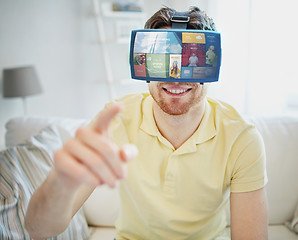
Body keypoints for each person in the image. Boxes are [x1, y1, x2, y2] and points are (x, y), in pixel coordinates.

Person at [25, 6, 268, 240]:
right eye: (162, 60)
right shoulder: (115, 119)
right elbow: (38, 230)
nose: (175, 78)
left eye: (187, 63)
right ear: (144, 64)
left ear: (211, 64)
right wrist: (60, 182)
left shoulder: (241, 137)